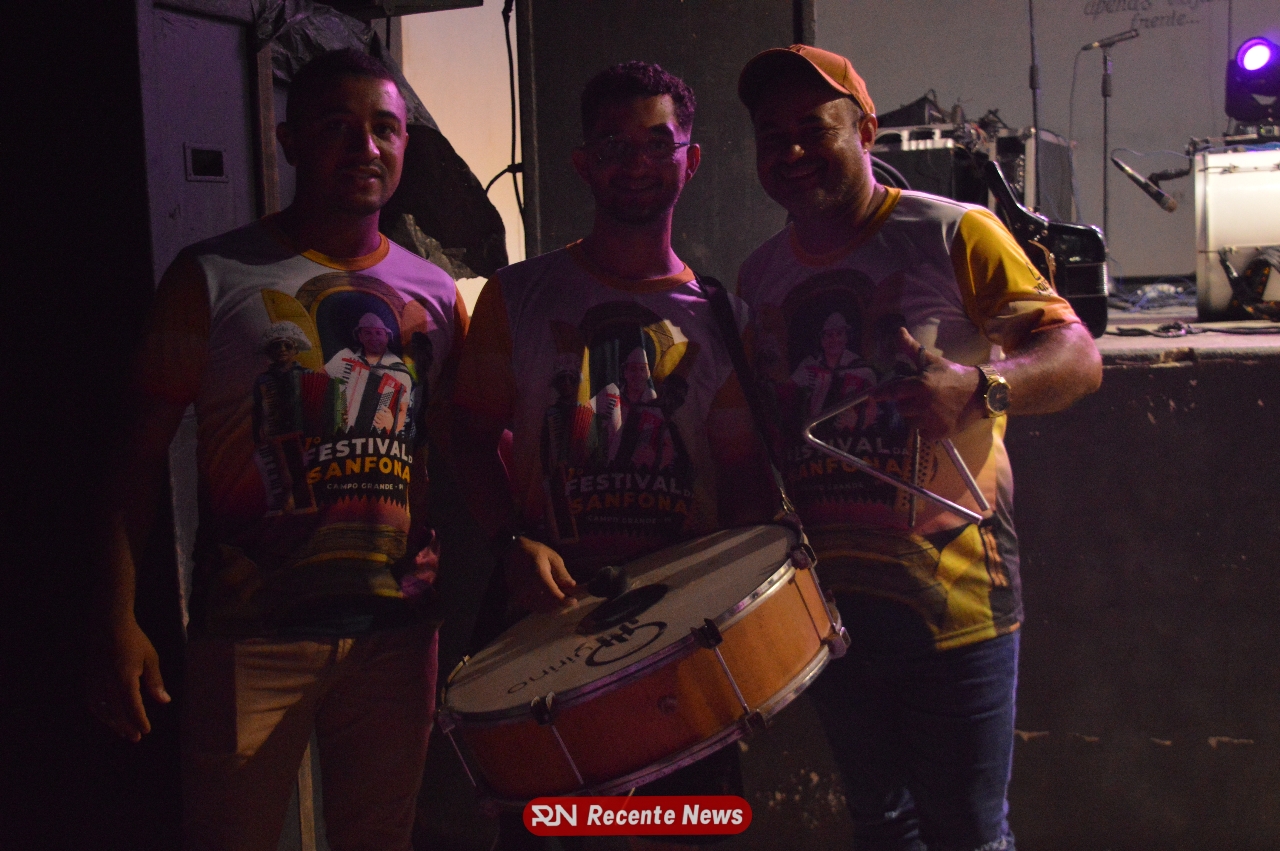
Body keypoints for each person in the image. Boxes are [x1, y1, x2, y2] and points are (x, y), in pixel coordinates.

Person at [87, 48, 468, 851]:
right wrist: (116, 617)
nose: (365, 147)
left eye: (385, 128)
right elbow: (134, 458)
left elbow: (458, 447)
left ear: (405, 143)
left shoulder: (434, 292)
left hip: (397, 631)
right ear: (289, 139)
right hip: (250, 631)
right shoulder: (212, 277)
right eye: (337, 126)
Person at [735, 45, 1102, 851]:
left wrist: (981, 388)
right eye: (771, 135)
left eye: (813, 128)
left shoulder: (954, 232)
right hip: (830, 614)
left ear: (866, 130)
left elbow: (1078, 355)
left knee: (968, 832)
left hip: (955, 604)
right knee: (882, 824)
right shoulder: (758, 277)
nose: (791, 150)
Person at [451, 61, 775, 848]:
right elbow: (465, 437)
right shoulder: (519, 297)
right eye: (614, 144)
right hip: (547, 639)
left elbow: (743, 484)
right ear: (583, 163)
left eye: (658, 143)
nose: (637, 162)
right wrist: (510, 542)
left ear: (691, 160)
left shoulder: (722, 316)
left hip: (680, 655)